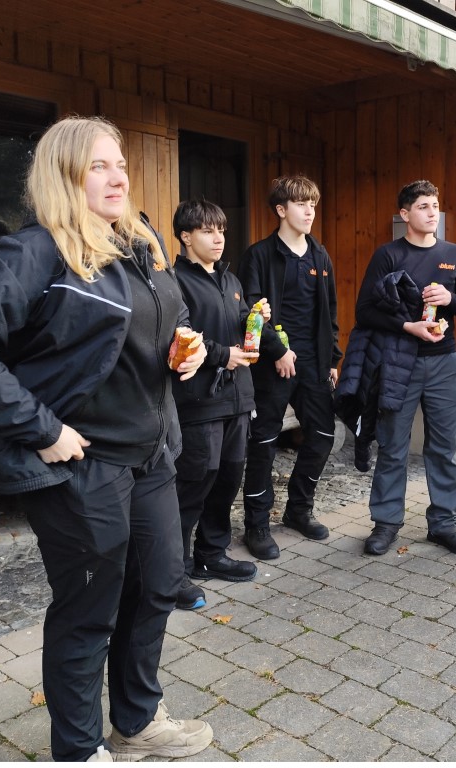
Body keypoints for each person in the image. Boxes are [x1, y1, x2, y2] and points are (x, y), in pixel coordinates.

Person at [0, 116, 214, 762]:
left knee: (157, 586)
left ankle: (137, 722)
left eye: (121, 165)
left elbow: (161, 324)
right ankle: (80, 751)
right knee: (89, 610)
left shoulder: (136, 246)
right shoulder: (36, 252)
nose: (118, 177)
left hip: (150, 456)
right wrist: (41, 427)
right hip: (82, 465)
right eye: (98, 166)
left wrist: (184, 350)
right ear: (64, 174)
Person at [355, 180, 456, 557]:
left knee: (443, 447)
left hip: (443, 363)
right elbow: (365, 311)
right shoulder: (388, 255)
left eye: (435, 206)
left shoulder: (455, 254)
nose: (432, 212)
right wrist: (406, 326)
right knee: (393, 447)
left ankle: (444, 525)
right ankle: (386, 523)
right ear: (405, 214)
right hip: (400, 364)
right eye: (423, 206)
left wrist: (450, 298)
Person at [238, 175, 342, 559]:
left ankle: (299, 510)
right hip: (272, 365)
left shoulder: (320, 256)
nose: (310, 211)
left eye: (313, 204)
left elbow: (329, 312)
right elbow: (249, 311)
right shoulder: (259, 255)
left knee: (323, 435)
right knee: (263, 443)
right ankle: (257, 525)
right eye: (301, 204)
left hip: (313, 364)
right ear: (281, 210)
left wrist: (333, 359)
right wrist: (278, 349)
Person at [171, 199, 262, 608]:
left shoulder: (230, 279)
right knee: (193, 485)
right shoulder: (174, 281)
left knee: (227, 480)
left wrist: (254, 318)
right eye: (208, 231)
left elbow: (239, 324)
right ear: (186, 236)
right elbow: (178, 336)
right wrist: (224, 354)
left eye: (221, 230)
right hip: (199, 402)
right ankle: (173, 571)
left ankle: (211, 554)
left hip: (238, 398)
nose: (218, 238)